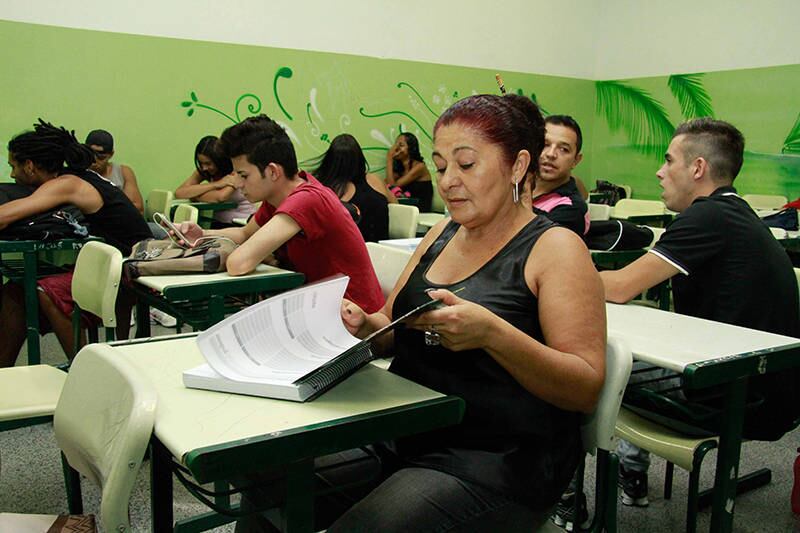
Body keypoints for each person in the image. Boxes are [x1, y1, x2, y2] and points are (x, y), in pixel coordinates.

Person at [315, 94, 606, 532]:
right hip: (408, 430)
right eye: (440, 164)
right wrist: (363, 323)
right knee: (274, 476)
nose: (449, 180)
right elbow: (389, 326)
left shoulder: (556, 249)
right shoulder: (442, 231)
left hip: (497, 460)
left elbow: (584, 388)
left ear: (518, 166)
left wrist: (493, 334)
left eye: (466, 165)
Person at [600, 118, 800, 507]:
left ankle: (576, 489)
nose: (659, 171)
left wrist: (552, 273)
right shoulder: (731, 212)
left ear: (697, 168)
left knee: (593, 359)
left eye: (668, 160)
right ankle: (629, 468)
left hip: (743, 398)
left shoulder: (708, 216)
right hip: (765, 389)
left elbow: (621, 287)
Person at [174, 115, 384, 314]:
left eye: (243, 175)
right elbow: (245, 234)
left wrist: (261, 253)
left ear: (273, 172)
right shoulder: (278, 197)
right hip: (319, 307)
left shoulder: (306, 199)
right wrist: (201, 235)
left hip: (353, 318)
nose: (237, 183)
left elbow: (238, 263)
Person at [0, 120, 152, 367]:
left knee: (46, 290)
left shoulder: (68, 183)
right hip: (119, 263)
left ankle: (87, 370)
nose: (12, 174)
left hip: (130, 270)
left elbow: (5, 216)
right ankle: (4, 375)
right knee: (14, 292)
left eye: (13, 166)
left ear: (29, 166)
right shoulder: (76, 178)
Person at [310, 133, 393, 242]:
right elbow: (396, 207)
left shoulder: (329, 189)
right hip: (384, 251)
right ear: (359, 159)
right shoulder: (375, 180)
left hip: (354, 253)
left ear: (331, 161)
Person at [175, 135, 256, 227]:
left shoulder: (235, 171)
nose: (204, 167)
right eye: (201, 163)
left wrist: (194, 195)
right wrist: (216, 184)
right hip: (217, 222)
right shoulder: (204, 171)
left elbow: (220, 197)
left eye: (208, 163)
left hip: (240, 222)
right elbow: (179, 193)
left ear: (219, 160)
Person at [531, 115, 589, 236]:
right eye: (545, 144)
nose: (551, 154)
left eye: (563, 149)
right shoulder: (514, 187)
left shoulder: (572, 209)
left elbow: (525, 241)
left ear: (576, 160)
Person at [85, 129, 144, 212]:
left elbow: (137, 208)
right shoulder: (79, 174)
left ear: (111, 154)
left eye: (101, 157)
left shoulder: (123, 172)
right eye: (90, 155)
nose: (95, 162)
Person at [386, 132, 434, 211]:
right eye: (395, 145)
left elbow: (393, 186)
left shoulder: (420, 167)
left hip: (420, 209)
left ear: (411, 148)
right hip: (407, 208)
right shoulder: (400, 169)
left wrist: (389, 158)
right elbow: (388, 184)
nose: (396, 149)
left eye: (401, 145)